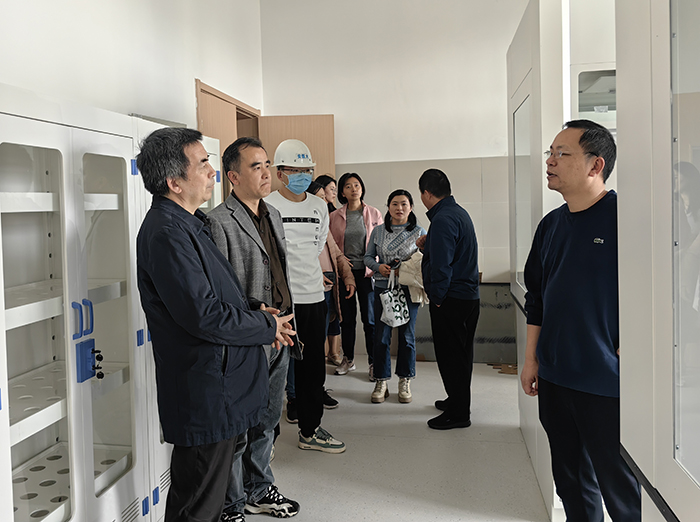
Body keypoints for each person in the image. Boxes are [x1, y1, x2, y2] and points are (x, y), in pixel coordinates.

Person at [135, 128, 294, 522]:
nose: (212, 172)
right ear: (174, 182)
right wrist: (264, 326)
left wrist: (255, 307)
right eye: (203, 164)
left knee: (208, 498)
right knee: (198, 505)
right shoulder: (167, 234)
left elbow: (216, 294)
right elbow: (203, 315)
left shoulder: (190, 223)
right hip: (205, 390)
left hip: (218, 385)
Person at [521, 120, 641, 521]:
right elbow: (537, 298)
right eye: (550, 153)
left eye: (562, 153)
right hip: (556, 378)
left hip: (607, 383)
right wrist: (532, 359)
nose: (550, 161)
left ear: (596, 165)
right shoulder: (551, 225)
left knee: (621, 492)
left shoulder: (625, 221)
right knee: (571, 483)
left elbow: (658, 294)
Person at [208, 137, 300, 520]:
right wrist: (258, 319)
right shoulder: (218, 221)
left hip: (281, 331)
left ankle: (259, 488)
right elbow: (220, 290)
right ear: (233, 177)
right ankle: (231, 503)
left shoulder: (273, 213)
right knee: (239, 428)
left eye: (267, 165)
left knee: (267, 420)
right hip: (248, 339)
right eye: (256, 166)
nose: (266, 173)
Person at [265, 139, 346, 453]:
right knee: (275, 370)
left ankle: (310, 430)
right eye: (295, 170)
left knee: (313, 367)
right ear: (280, 173)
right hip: (282, 301)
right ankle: (266, 440)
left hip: (313, 296)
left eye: (307, 170)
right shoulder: (267, 204)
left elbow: (317, 246)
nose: (302, 176)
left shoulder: (318, 205)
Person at [417, 168, 479, 430]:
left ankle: (459, 414)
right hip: (466, 297)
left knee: (451, 356)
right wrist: (428, 245)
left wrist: (438, 298)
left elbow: (442, 266)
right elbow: (451, 253)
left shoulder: (442, 219)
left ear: (426, 193)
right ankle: (457, 400)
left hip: (451, 298)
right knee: (460, 354)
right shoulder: (456, 213)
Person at [364, 189, 426, 404]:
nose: (399, 208)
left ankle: (405, 380)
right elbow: (368, 257)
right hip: (383, 289)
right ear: (388, 206)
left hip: (409, 290)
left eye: (404, 204)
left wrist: (405, 270)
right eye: (395, 204)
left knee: (407, 336)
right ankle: (381, 380)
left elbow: (426, 260)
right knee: (381, 336)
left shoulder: (420, 232)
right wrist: (378, 267)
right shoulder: (378, 231)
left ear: (411, 207)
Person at [329, 172, 383, 379]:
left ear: (362, 188)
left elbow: (380, 243)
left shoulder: (374, 213)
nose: (353, 189)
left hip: (368, 273)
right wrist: (342, 262)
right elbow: (331, 245)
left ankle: (373, 362)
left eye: (357, 185)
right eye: (348, 186)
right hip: (345, 273)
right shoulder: (335, 216)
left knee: (370, 320)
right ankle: (348, 359)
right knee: (347, 319)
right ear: (342, 192)